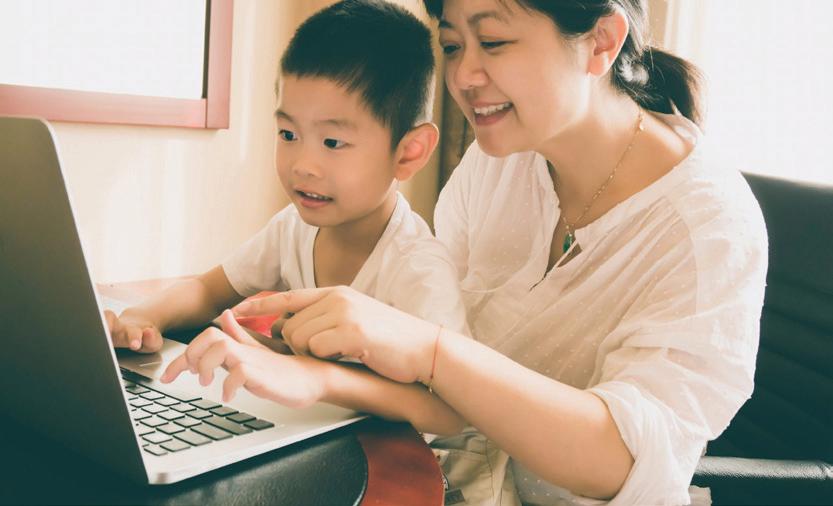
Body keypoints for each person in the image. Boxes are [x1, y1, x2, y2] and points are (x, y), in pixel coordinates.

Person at [218, 0, 769, 504]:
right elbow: (433, 354)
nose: (462, 76)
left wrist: (430, 351)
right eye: (453, 45)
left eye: (494, 42)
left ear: (601, 41)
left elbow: (626, 459)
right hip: (449, 479)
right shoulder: (500, 157)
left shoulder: (707, 226)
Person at [108, 0, 471, 438]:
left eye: (332, 142)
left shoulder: (419, 268)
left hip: (404, 459)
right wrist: (143, 318)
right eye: (288, 134)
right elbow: (208, 289)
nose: (302, 165)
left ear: (409, 152)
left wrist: (316, 375)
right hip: (310, 433)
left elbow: (452, 412)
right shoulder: (293, 228)